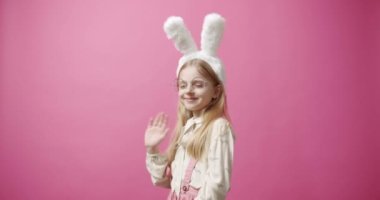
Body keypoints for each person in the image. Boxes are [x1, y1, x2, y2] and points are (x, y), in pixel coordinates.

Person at [145, 13, 234, 200]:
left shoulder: (218, 128)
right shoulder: (186, 127)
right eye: (183, 85)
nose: (188, 91)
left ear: (216, 91)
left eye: (198, 84)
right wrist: (152, 149)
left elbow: (217, 186)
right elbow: (163, 181)